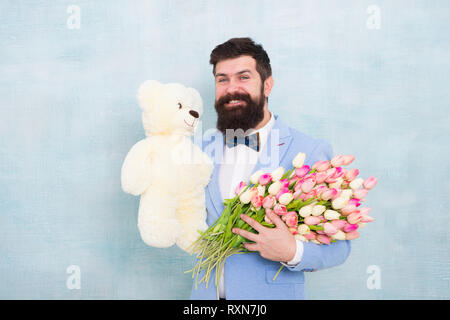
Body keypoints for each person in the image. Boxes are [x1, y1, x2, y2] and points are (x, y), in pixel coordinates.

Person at [190, 37, 351, 300]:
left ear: (267, 85)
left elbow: (340, 247)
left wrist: (292, 251)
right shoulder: (200, 148)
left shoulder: (309, 151)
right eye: (222, 79)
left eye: (243, 77)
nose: (232, 89)